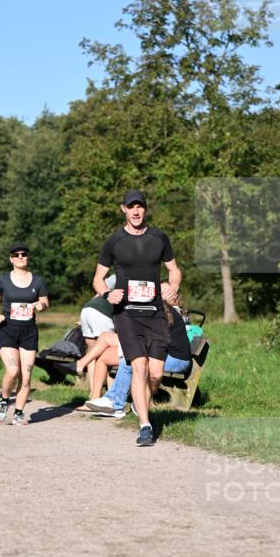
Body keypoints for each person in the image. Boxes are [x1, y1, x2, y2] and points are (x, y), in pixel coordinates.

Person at [93, 189, 181, 447]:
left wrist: (172, 286)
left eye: (139, 206)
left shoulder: (159, 238)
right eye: (130, 207)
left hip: (155, 312)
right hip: (127, 314)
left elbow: (174, 270)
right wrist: (107, 293)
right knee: (139, 366)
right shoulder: (114, 242)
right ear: (123, 209)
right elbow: (97, 279)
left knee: (155, 373)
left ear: (145, 208)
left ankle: (137, 402)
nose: (135, 211)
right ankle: (145, 425)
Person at [86, 294, 191, 417]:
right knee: (131, 358)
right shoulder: (155, 311)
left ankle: (114, 403)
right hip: (166, 356)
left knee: (132, 359)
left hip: (177, 360)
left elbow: (153, 342)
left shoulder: (162, 314)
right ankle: (113, 401)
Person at [0, 242, 49, 426]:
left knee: (27, 375)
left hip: (29, 332)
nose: (21, 257)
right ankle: (4, 401)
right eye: (16, 255)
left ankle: (19, 413)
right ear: (11, 259)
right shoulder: (2, 280)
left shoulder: (38, 281)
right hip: (7, 329)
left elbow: (45, 302)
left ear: (28, 257)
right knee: (13, 370)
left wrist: (41, 305)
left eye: (24, 254)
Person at [78, 275, 116, 394]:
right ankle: (110, 395)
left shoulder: (117, 275)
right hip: (102, 312)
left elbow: (100, 289)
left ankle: (94, 393)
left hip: (87, 309)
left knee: (92, 352)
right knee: (108, 353)